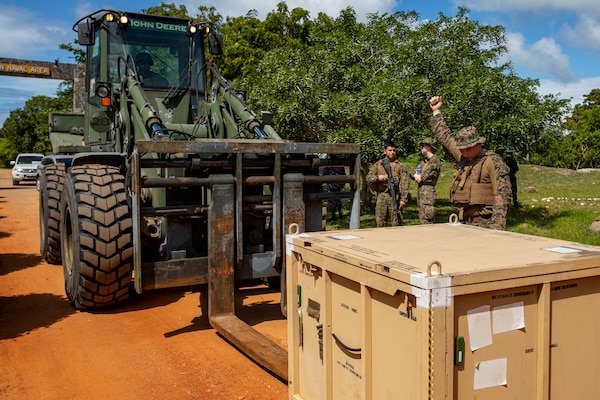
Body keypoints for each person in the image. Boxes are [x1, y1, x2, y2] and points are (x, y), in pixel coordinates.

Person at [428, 96, 511, 230]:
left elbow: (502, 196)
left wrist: (496, 230)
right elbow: (444, 137)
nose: (465, 153)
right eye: (462, 149)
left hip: (485, 223)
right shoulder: (463, 156)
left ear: (478, 144)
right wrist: (436, 111)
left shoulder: (492, 161)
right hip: (464, 222)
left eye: (468, 149)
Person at [366, 141, 410, 227]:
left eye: (394, 150)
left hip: (395, 197)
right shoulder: (379, 164)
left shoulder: (399, 166)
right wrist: (378, 178)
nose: (392, 152)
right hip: (382, 196)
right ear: (384, 151)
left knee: (397, 223)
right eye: (390, 150)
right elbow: (368, 177)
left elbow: (405, 183)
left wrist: (403, 199)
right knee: (380, 223)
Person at [410, 137, 441, 224]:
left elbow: (423, 178)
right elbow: (413, 173)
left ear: (428, 147)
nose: (421, 148)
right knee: (422, 218)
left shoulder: (434, 161)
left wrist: (417, 176)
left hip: (428, 193)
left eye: (423, 146)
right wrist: (416, 175)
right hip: (422, 193)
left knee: (428, 219)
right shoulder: (425, 162)